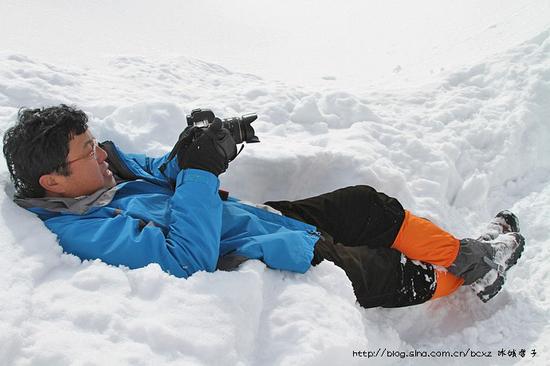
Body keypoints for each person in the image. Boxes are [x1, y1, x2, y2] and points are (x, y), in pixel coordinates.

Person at [3, 105, 525, 308]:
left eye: (94, 140)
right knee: (394, 274)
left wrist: (207, 144)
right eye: (87, 151)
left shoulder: (109, 166)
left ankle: (467, 253)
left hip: (263, 218)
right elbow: (186, 257)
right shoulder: (81, 231)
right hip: (275, 256)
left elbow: (165, 168)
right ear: (54, 180)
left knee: (366, 205)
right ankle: (474, 267)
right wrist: (201, 172)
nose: (101, 152)